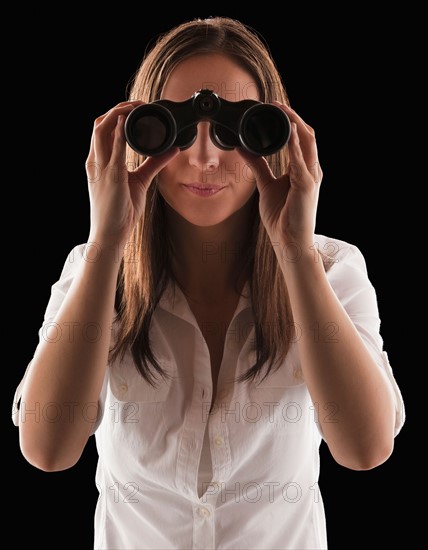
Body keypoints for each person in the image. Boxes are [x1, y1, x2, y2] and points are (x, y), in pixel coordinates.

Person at [12, 16, 405, 550]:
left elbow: (365, 449)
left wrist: (295, 253)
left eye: (232, 130)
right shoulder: (94, 273)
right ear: (139, 136)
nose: (203, 158)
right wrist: (106, 248)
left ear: (272, 135)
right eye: (172, 130)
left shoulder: (332, 268)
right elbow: (48, 450)